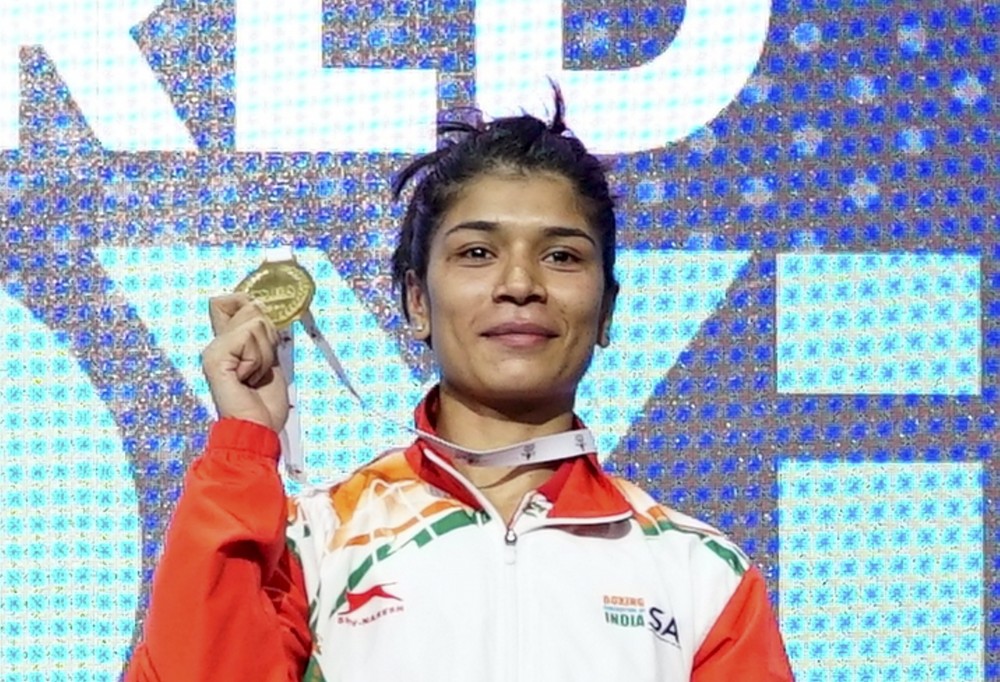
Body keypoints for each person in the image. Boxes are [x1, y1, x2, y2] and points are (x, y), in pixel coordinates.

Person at [124, 92, 794, 681]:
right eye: (477, 252)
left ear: (608, 311)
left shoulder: (698, 573)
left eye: (561, 256)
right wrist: (244, 447)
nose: (520, 284)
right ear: (417, 300)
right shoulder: (316, 541)